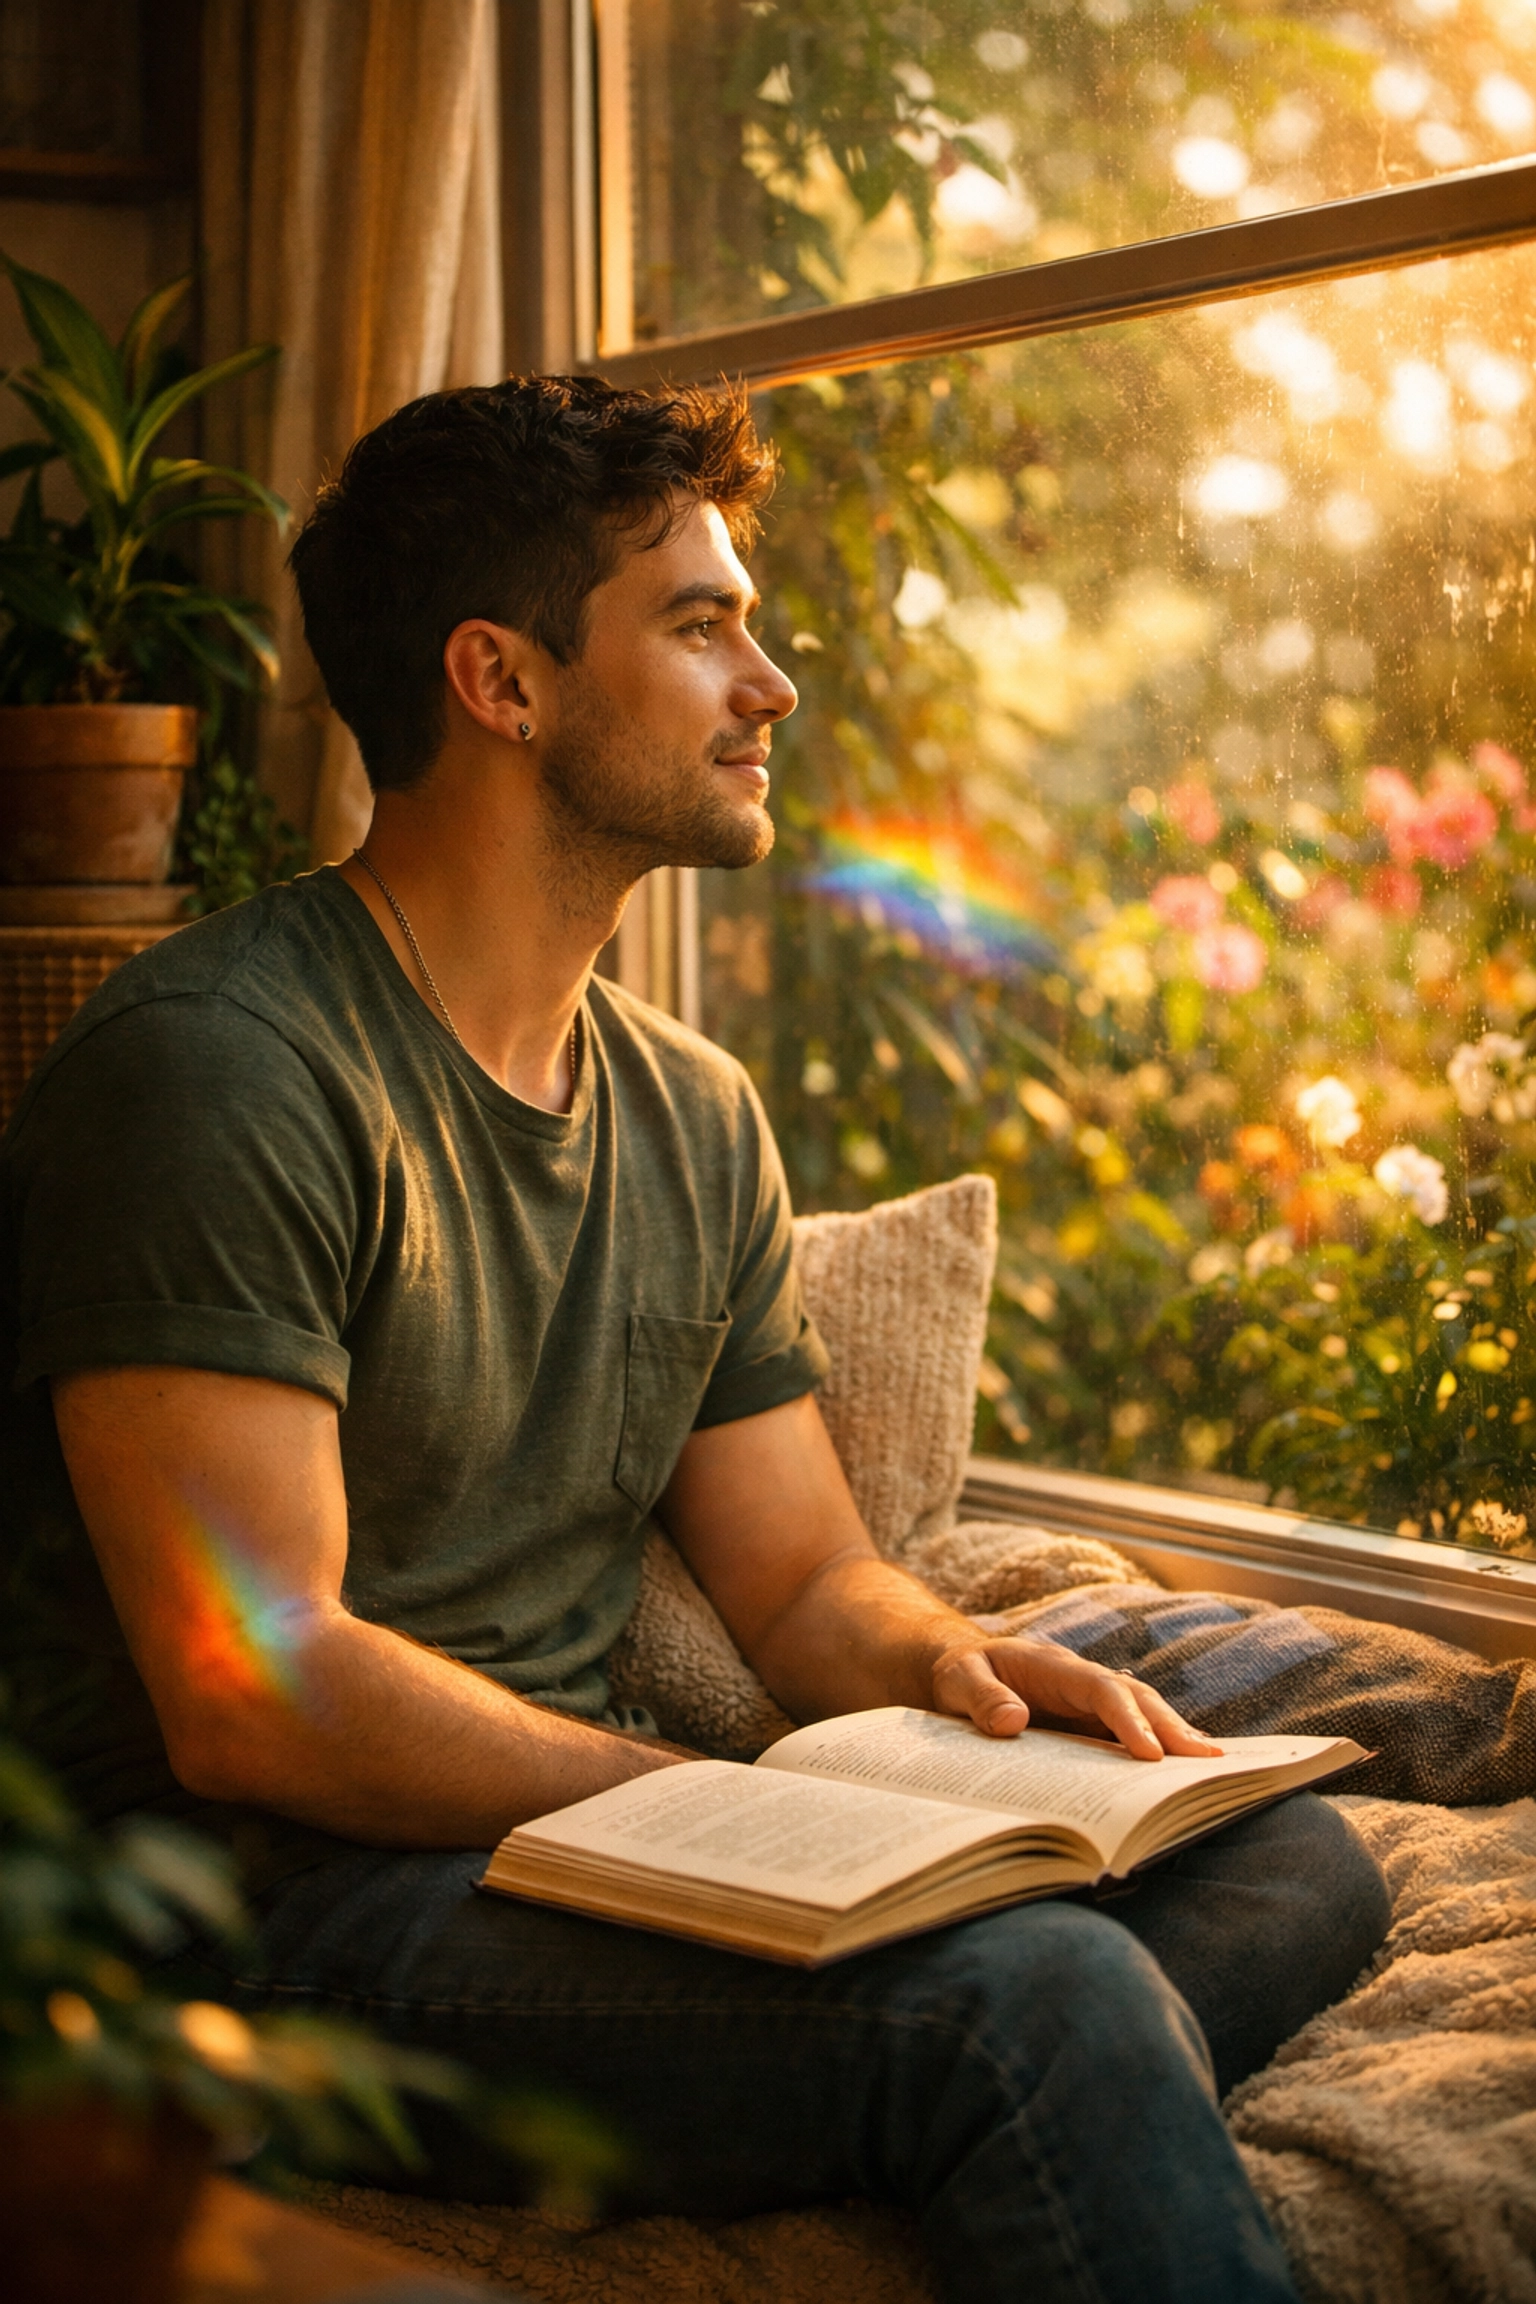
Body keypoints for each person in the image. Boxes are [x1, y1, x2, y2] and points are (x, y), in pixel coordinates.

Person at [0, 376, 1387, 2303]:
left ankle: (915, 2092)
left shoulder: (691, 1107)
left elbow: (808, 1575)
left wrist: (965, 1676)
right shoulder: (220, 1071)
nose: (774, 685)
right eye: (701, 623)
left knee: (1302, 1867)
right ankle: (977, 2076)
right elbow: (255, 1687)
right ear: (502, 681)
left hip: (564, 1857)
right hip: (264, 1918)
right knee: (1029, 2002)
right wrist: (707, 1818)